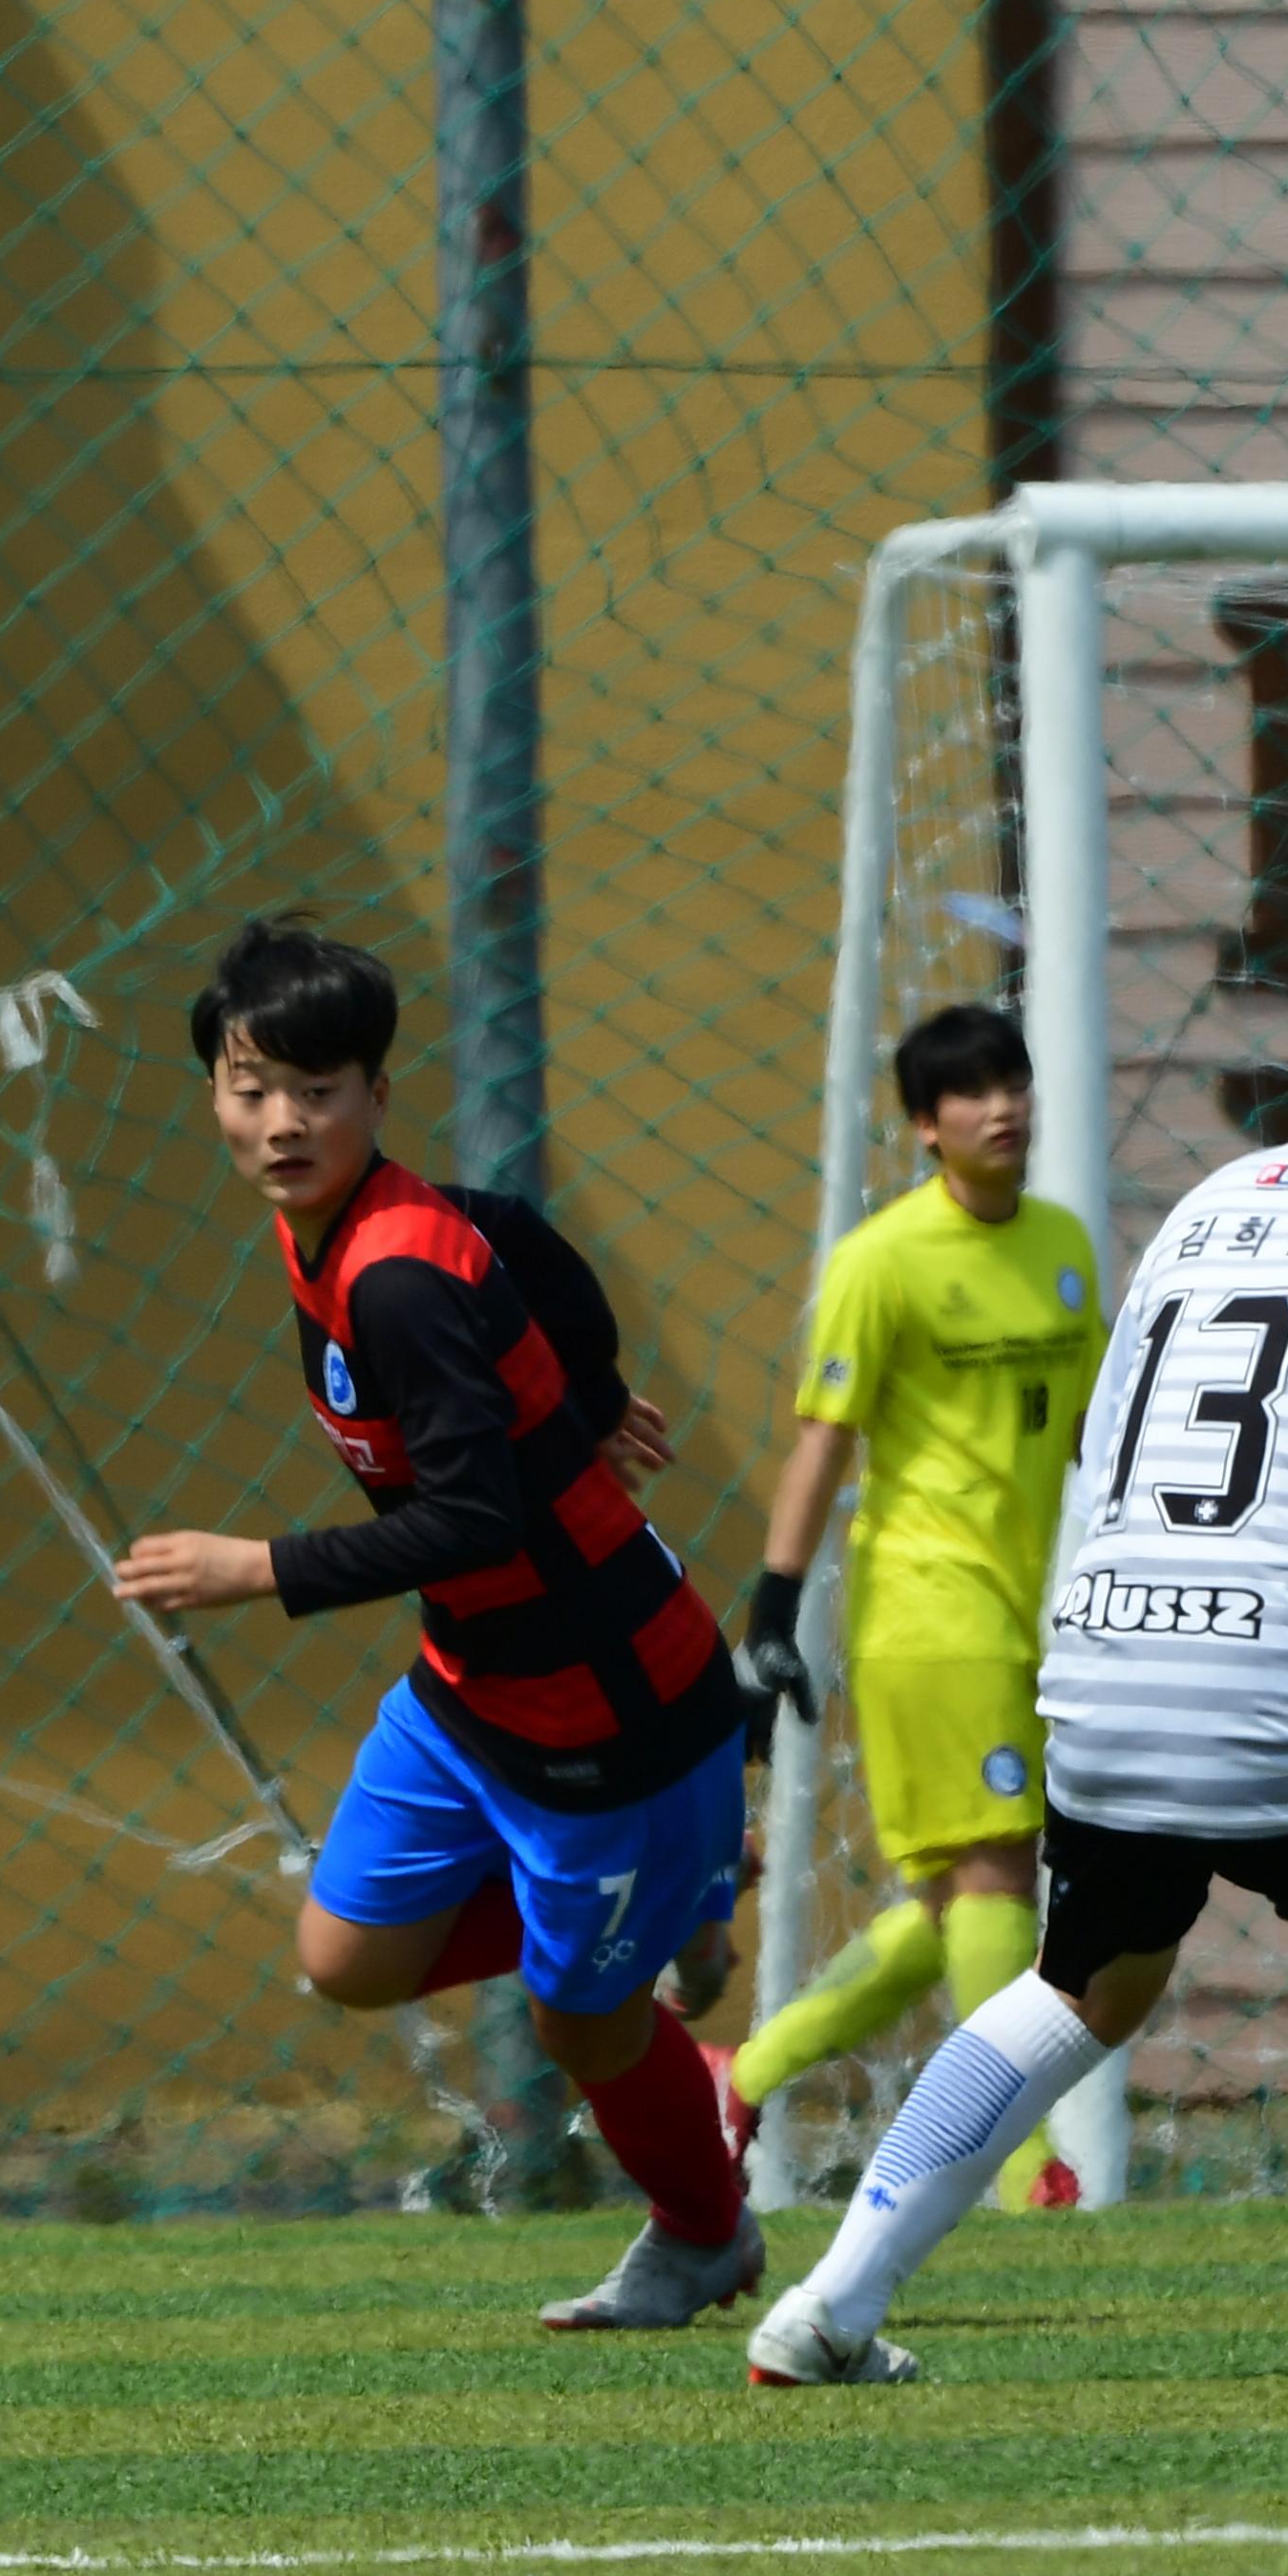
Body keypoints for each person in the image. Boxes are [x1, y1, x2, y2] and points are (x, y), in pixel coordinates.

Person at [741, 901, 1288, 2382]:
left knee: (1093, 1979)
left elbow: (1105, 1458)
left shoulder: (1207, 1200)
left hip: (1109, 1683)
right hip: (1283, 1701)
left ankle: (833, 2299)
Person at [110, 921, 758, 2331]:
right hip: (475, 1690)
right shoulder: (348, 1226)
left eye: (319, 1089)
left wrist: (254, 1565)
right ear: (215, 1093)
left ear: (377, 1098)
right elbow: (525, 1240)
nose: (283, 1122)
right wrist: (584, 1392)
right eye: (249, 1085)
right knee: (349, 1960)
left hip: (612, 1709)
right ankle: (690, 1877)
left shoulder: (394, 1278)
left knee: (576, 2021)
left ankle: (704, 2235)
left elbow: (478, 1522)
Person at [719, 1004, 1109, 2211]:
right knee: (1002, 1876)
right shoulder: (882, 1260)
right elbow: (822, 1444)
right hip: (926, 1611)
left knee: (955, 1905)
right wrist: (774, 1608)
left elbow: (1097, 1424)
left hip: (1024, 1605)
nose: (1005, 1108)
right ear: (925, 1127)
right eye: (971, 1092)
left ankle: (746, 2071)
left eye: (1015, 1082)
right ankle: (1019, 2157)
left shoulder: (1061, 1244)